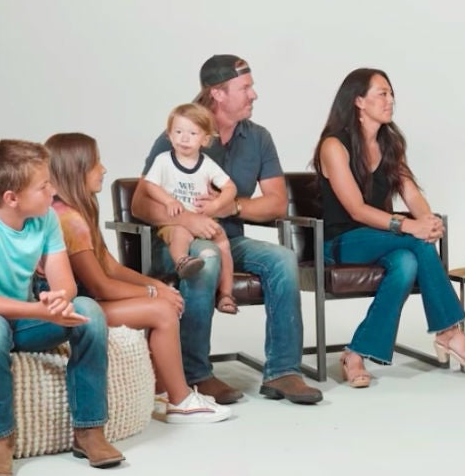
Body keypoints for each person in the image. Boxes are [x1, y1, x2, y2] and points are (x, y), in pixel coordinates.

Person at [131, 54, 322, 406]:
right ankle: (195, 373)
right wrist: (187, 220)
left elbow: (277, 203)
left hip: (229, 237)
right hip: (179, 241)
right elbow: (140, 204)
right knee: (205, 257)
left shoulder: (259, 137)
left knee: (281, 258)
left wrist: (230, 205)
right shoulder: (183, 133)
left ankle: (283, 371)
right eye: (245, 88)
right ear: (218, 93)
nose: (254, 95)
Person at [0, 139, 123, 476]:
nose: (53, 190)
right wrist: (40, 312)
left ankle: (89, 431)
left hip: (21, 322)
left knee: (88, 310)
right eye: (44, 186)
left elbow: (65, 284)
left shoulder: (46, 220)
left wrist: (58, 300)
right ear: (12, 197)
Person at [313, 68, 465, 387]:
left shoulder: (391, 143)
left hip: (384, 240)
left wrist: (428, 220)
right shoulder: (333, 146)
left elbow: (410, 192)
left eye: (391, 93)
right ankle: (449, 331)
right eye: (382, 93)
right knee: (416, 244)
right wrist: (410, 226)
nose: (390, 100)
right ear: (358, 101)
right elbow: (356, 209)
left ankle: (355, 354)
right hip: (341, 241)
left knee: (407, 262)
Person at [45, 132, 232, 424]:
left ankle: (161, 391)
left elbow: (111, 267)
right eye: (96, 163)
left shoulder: (75, 212)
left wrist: (156, 285)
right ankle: (181, 401)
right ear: (77, 169)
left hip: (86, 302)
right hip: (74, 310)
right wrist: (155, 296)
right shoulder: (69, 220)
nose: (104, 169)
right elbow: (100, 286)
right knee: (162, 311)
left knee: (163, 302)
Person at [142, 104, 239, 314]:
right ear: (169, 135)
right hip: (176, 221)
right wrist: (168, 200)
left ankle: (226, 295)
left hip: (203, 222)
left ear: (205, 139)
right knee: (181, 232)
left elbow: (230, 187)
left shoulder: (207, 164)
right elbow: (150, 186)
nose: (184, 139)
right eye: (178, 132)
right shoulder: (164, 161)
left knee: (222, 242)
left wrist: (216, 204)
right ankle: (182, 261)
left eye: (192, 133)